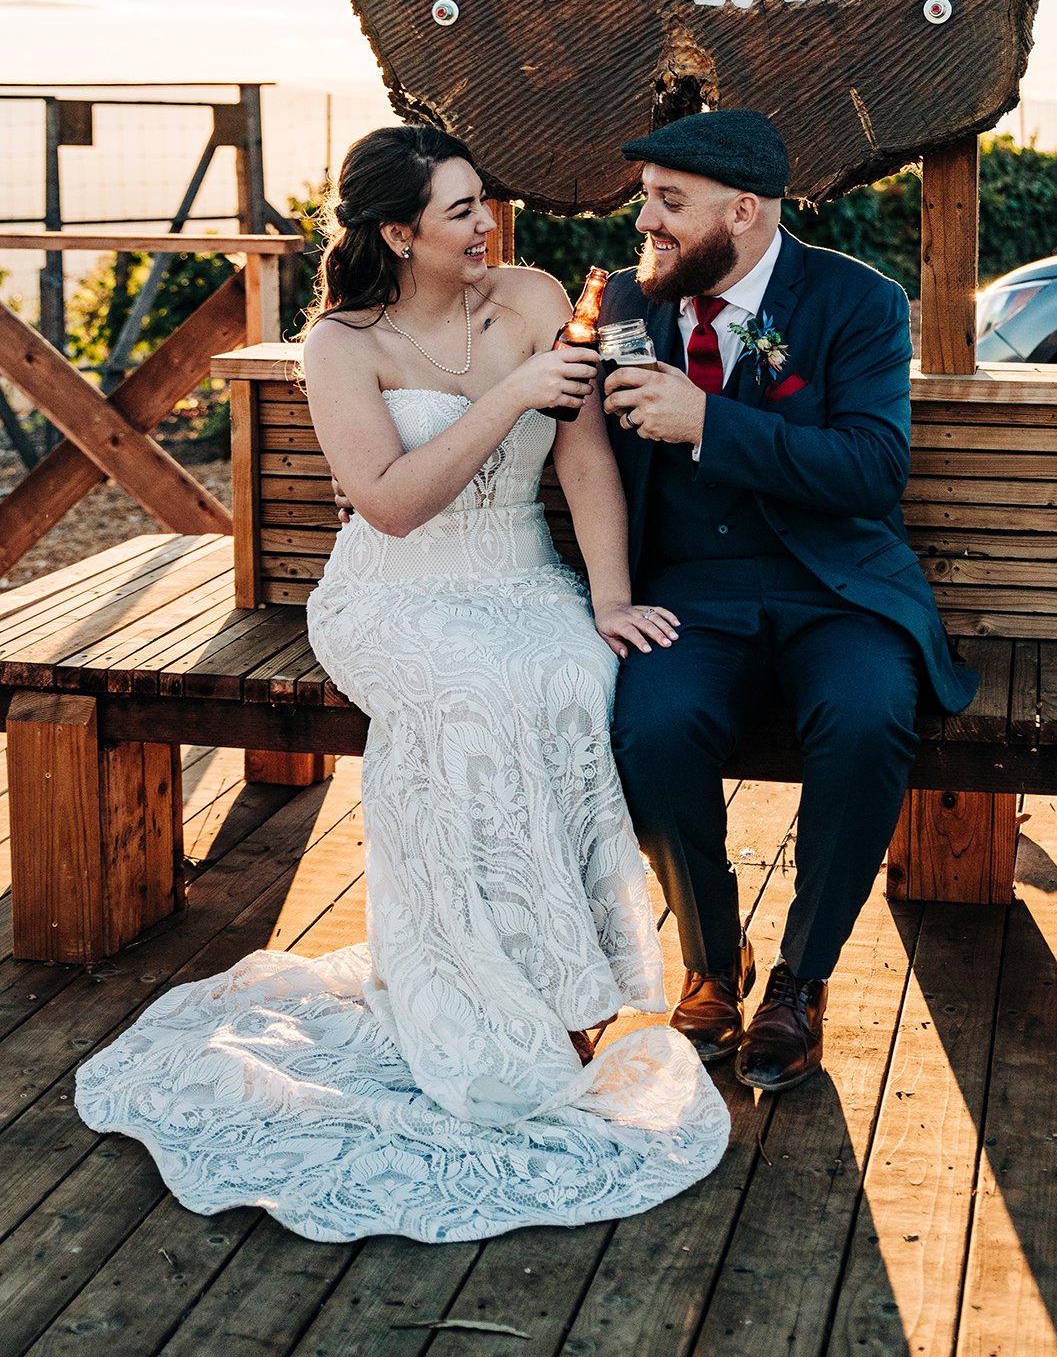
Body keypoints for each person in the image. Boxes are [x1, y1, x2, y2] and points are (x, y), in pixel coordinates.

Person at [75, 124, 729, 1245]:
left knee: (573, 676)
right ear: (397, 231)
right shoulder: (340, 342)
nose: (488, 225)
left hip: (521, 575)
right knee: (474, 696)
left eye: (486, 201)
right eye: (462, 209)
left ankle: (573, 991)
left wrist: (611, 598)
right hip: (395, 593)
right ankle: (477, 999)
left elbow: (581, 461)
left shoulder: (529, 293)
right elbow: (386, 502)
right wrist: (509, 391)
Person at [600, 109, 979, 1093]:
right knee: (652, 721)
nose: (647, 221)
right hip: (690, 593)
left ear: (747, 209)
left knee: (866, 717)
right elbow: (561, 427)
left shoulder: (857, 300)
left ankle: (801, 981)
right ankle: (712, 965)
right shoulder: (629, 308)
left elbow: (872, 468)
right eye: (646, 199)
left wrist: (708, 421)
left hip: (837, 588)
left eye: (668, 203)